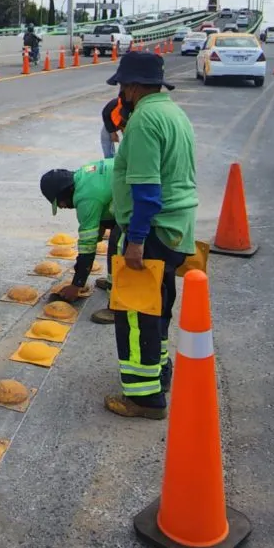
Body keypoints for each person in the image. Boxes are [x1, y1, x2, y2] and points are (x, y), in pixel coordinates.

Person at [104, 51, 197, 420]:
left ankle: (144, 398)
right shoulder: (174, 112)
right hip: (176, 227)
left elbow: (146, 189)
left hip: (154, 229)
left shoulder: (144, 121)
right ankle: (160, 371)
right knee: (159, 306)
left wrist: (136, 239)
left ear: (131, 87)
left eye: (123, 86)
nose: (122, 93)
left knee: (135, 312)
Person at [39, 160, 120, 325]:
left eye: (59, 202)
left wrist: (77, 284)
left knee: (117, 247)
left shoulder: (86, 198)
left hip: (142, 202)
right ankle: (114, 283)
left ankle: (118, 308)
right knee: (115, 237)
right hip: (132, 194)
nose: (62, 207)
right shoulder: (83, 175)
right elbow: (106, 198)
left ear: (64, 193)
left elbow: (88, 249)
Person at [99, 95, 130, 159]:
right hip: (113, 121)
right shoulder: (114, 104)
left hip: (128, 123)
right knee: (105, 136)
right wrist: (112, 132)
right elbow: (105, 114)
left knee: (130, 141)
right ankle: (109, 159)